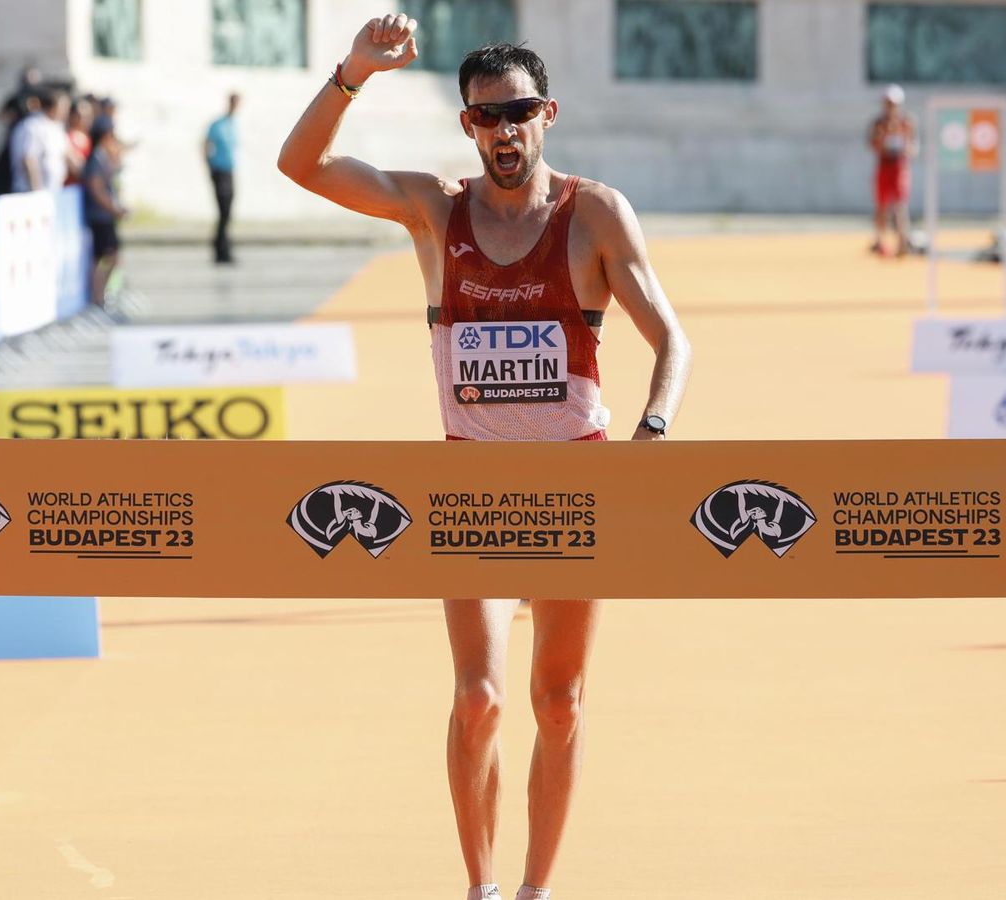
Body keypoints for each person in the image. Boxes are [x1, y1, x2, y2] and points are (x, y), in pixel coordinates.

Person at [278, 17, 691, 900]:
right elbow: (301, 167)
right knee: (479, 701)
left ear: (549, 115)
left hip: (576, 488)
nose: (505, 132)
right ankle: (483, 889)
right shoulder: (435, 210)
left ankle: (538, 889)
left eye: (519, 113)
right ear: (468, 125)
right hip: (470, 490)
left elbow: (672, 341)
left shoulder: (593, 214)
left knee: (559, 704)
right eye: (486, 118)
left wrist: (653, 430)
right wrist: (353, 72)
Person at [82, 117, 127, 306]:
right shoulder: (95, 159)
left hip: (105, 215)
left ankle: (101, 295)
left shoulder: (103, 156)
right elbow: (97, 189)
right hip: (100, 216)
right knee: (104, 257)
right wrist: (113, 208)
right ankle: (97, 296)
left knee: (109, 257)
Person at [868, 84, 916, 257]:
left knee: (900, 205)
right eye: (888, 103)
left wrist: (904, 143)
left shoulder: (906, 122)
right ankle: (880, 241)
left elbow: (912, 147)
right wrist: (883, 135)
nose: (890, 107)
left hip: (899, 166)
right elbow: (873, 145)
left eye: (893, 104)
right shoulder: (879, 123)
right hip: (884, 165)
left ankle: (903, 241)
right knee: (881, 205)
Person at [9, 88, 73, 193]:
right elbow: (28, 160)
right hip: (30, 192)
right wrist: (37, 191)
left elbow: (67, 154)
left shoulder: (57, 127)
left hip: (53, 191)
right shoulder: (32, 126)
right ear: (52, 107)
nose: (66, 111)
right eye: (64, 107)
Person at [205, 92, 239, 264]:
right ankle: (221, 250)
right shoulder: (218, 125)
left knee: (227, 212)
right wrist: (210, 167)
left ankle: (223, 248)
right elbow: (206, 145)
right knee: (223, 211)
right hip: (220, 171)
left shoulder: (233, 123)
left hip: (229, 170)